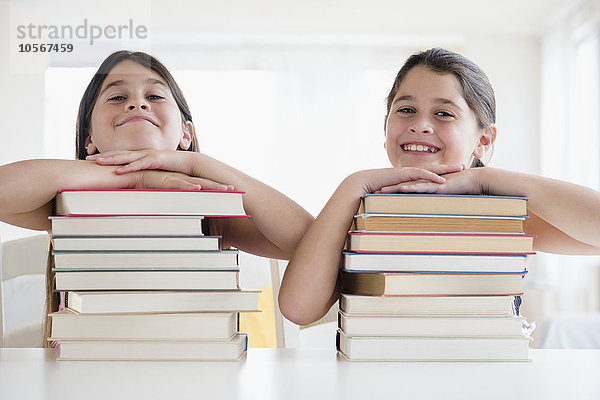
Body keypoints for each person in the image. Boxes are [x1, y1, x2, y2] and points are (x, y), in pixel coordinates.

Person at [0, 50, 314, 345]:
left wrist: (199, 164)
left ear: (186, 134)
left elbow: (310, 244)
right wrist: (135, 175)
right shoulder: (69, 204)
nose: (137, 104)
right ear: (89, 139)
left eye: (154, 96)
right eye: (118, 97)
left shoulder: (207, 208)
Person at [278, 47, 600, 326]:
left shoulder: (501, 217)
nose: (420, 124)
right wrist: (354, 184)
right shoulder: (359, 213)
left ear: (483, 140)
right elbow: (297, 307)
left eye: (443, 113)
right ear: (386, 126)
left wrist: (482, 178)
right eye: (406, 110)